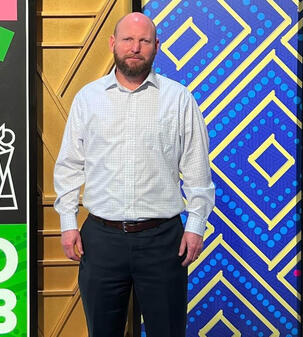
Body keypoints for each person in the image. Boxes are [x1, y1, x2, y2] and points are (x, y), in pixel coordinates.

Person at [53, 12, 215, 337]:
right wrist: (68, 223)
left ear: (157, 46)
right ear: (113, 43)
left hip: (163, 241)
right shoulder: (88, 99)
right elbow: (70, 165)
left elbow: (198, 172)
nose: (135, 47)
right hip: (100, 241)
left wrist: (196, 227)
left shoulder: (179, 99)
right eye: (128, 39)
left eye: (144, 41)